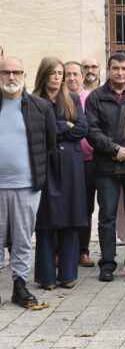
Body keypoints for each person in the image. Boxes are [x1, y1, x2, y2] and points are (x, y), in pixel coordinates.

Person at [0, 56, 57, 307]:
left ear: (25, 75)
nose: (11, 77)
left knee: (23, 238)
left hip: (26, 186)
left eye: (17, 72)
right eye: (5, 73)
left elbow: (50, 144)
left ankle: (19, 286)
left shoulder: (40, 107)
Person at [85, 53, 125, 283]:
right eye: (116, 68)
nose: (120, 72)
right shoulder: (96, 97)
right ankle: (107, 264)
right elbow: (92, 130)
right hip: (105, 166)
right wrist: (114, 149)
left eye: (124, 68)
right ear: (108, 70)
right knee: (107, 217)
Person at [32, 57, 89, 290]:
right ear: (44, 75)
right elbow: (38, 131)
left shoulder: (73, 99)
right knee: (46, 219)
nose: (58, 77)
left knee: (72, 218)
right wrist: (66, 125)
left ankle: (68, 274)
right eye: (53, 73)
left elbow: (83, 129)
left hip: (72, 165)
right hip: (45, 163)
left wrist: (59, 129)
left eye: (60, 73)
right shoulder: (34, 101)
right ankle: (46, 277)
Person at [64, 61, 97, 268]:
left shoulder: (90, 99)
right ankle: (62, 250)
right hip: (64, 161)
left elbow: (87, 128)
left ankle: (83, 250)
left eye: (76, 73)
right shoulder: (58, 100)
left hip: (88, 161)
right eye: (68, 74)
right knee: (63, 206)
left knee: (86, 207)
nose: (72, 78)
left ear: (83, 76)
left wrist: (72, 127)